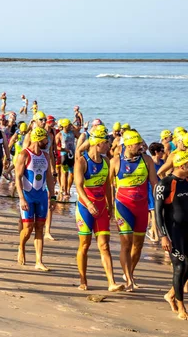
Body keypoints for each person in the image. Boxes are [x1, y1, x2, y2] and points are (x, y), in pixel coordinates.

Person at [74, 125, 125, 292]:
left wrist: (110, 205)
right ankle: (83, 279)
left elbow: (108, 186)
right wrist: (88, 204)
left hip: (102, 207)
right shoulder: (82, 161)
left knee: (104, 245)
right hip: (84, 207)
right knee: (85, 244)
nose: (109, 145)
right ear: (97, 143)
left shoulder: (106, 161)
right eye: (105, 143)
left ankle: (111, 282)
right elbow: (79, 186)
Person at [109, 130, 159, 291]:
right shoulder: (116, 161)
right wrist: (109, 206)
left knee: (138, 245)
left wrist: (159, 204)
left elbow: (154, 183)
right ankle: (129, 279)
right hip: (123, 206)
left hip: (141, 207)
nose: (141, 146)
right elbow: (108, 185)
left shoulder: (147, 160)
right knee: (126, 244)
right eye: (138, 144)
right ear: (128, 145)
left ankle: (129, 272)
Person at [15, 127, 55, 271]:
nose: (48, 141)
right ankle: (21, 246)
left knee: (39, 227)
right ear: (39, 139)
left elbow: (49, 176)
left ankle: (39, 261)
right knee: (28, 228)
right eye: (46, 139)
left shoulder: (45, 155)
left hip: (42, 195)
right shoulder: (24, 154)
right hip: (27, 195)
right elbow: (18, 177)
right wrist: (21, 198)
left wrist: (53, 195)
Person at [156, 151, 188, 320]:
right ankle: (181, 306)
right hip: (173, 231)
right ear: (182, 165)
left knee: (187, 267)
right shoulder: (165, 184)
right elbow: (158, 213)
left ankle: (170, 294)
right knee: (180, 267)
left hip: (186, 229)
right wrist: (163, 236)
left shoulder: (187, 181)